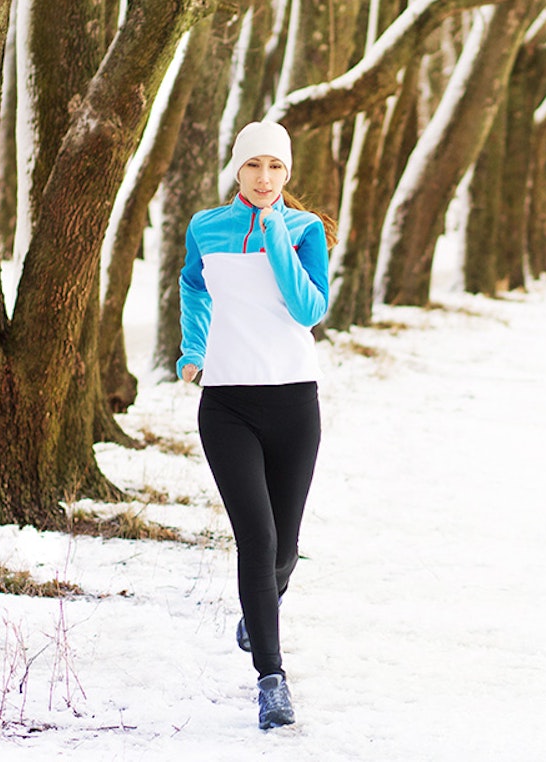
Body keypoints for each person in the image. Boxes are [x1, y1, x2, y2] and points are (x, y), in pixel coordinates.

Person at [177, 120, 335, 730]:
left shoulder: (303, 230)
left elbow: (309, 309)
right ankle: (272, 680)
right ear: (236, 170)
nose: (263, 177)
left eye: (274, 167)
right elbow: (193, 286)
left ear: (286, 174)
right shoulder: (205, 228)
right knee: (258, 540)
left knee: (285, 549)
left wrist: (274, 235)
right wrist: (193, 349)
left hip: (294, 401)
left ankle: (260, 605)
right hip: (227, 404)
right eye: (252, 166)